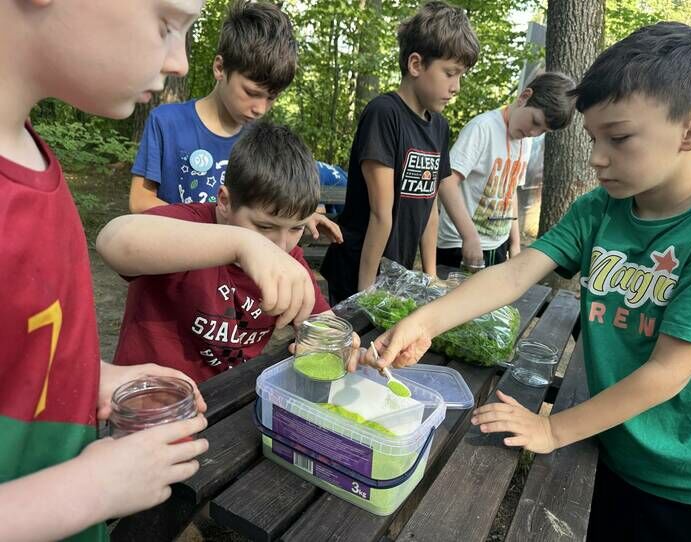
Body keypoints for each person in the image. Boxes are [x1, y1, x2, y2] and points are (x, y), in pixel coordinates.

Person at [361, 22, 691, 541]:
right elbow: (514, 273)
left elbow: (668, 371)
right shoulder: (600, 209)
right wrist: (424, 321)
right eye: (593, 138)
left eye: (619, 138)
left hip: (688, 484)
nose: (596, 157)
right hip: (610, 443)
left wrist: (552, 428)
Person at [0, 2, 213, 540]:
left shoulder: (29, 153)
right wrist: (89, 489)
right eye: (167, 24)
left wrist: (87, 376)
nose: (181, 62)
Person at [99, 122, 352, 383]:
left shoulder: (288, 260)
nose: (280, 245)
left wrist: (345, 348)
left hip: (223, 396)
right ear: (224, 202)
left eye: (296, 228)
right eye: (265, 227)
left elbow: (323, 326)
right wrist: (243, 244)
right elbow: (113, 240)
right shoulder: (188, 225)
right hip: (148, 393)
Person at [129, 0, 341, 242]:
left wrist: (297, 218)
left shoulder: (262, 142)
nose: (260, 108)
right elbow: (139, 201)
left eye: (271, 98)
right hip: (174, 255)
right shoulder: (167, 123)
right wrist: (214, 227)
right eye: (251, 92)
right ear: (220, 68)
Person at [320, 1, 480, 305]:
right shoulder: (384, 114)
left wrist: (430, 277)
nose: (456, 86)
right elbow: (380, 214)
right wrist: (365, 293)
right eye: (450, 73)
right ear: (416, 64)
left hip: (396, 275)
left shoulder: (439, 127)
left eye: (461, 75)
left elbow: (430, 209)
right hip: (358, 270)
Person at [436, 72, 576, 269]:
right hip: (460, 244)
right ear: (524, 97)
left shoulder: (525, 141)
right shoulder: (483, 128)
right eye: (535, 122)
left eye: (543, 131)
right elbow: (446, 182)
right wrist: (469, 236)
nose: (534, 133)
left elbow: (511, 192)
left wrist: (515, 243)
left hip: (498, 245)